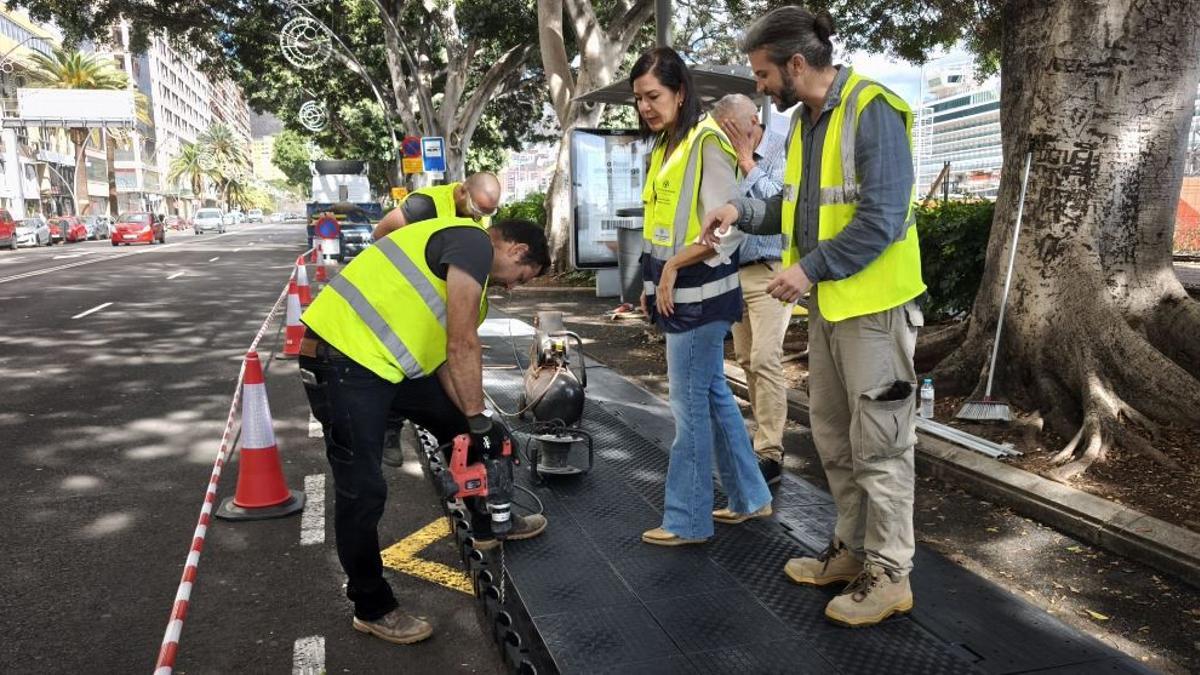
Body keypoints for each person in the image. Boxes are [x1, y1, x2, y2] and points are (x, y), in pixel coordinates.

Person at [701, 6, 926, 628]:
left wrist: (808, 271)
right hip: (833, 307)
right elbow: (795, 208)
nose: (760, 87)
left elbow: (880, 219)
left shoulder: (871, 108)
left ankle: (891, 574)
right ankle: (852, 553)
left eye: (763, 74)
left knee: (881, 447)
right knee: (833, 437)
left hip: (875, 310)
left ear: (797, 65)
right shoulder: (803, 123)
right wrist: (738, 213)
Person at [298, 215, 551, 644]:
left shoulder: (473, 279)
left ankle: (490, 523)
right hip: (341, 361)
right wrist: (477, 419)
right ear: (516, 250)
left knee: (462, 431)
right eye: (522, 277)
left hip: (389, 368)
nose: (513, 288)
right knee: (362, 489)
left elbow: (443, 359)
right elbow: (462, 342)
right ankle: (371, 606)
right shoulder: (473, 243)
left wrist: (477, 423)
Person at [631, 47, 773, 548]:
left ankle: (688, 520)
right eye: (640, 99)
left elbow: (727, 229)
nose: (646, 107)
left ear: (680, 92)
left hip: (701, 303)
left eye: (654, 96)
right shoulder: (665, 147)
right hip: (679, 298)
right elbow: (661, 228)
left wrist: (672, 268)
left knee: (690, 411)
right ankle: (750, 497)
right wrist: (652, 284)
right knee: (713, 398)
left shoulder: (704, 142)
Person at [712, 93, 791, 487]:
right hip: (736, 271)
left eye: (730, 130)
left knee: (765, 359)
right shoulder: (724, 155)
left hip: (772, 270)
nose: (728, 138)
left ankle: (771, 451)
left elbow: (781, 205)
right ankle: (763, 442)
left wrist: (748, 162)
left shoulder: (781, 148)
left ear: (749, 123)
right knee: (745, 360)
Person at [371, 172, 501, 240]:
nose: (479, 216)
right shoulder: (424, 204)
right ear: (462, 192)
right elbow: (381, 232)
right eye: (475, 209)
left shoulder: (483, 215)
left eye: (487, 213)